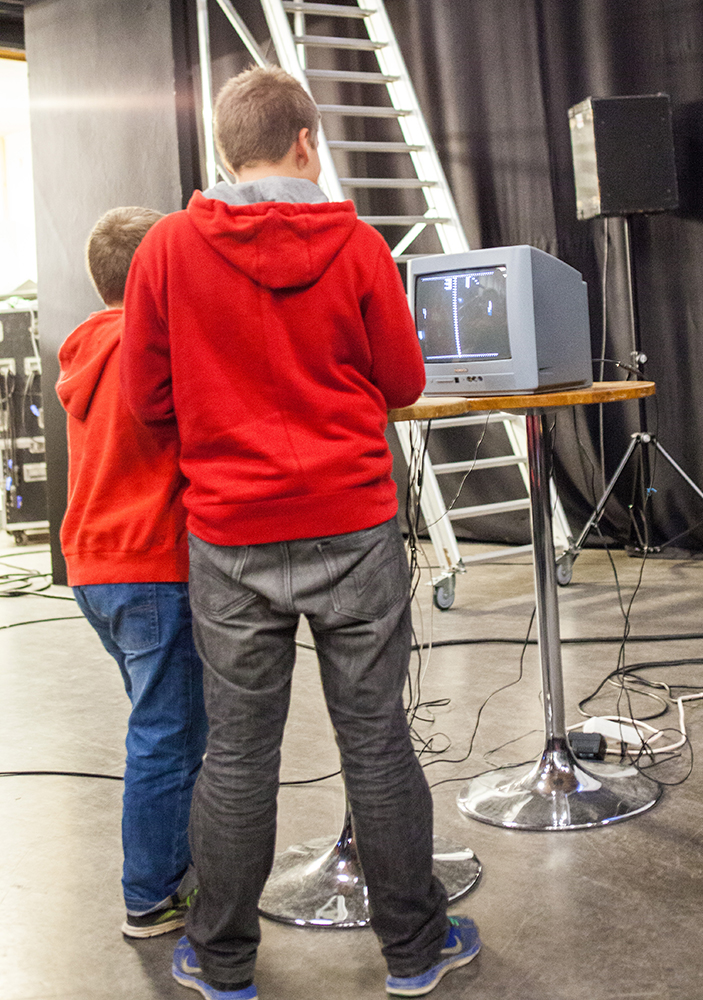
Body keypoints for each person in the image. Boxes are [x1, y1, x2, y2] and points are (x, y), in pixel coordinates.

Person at [121, 66, 480, 999]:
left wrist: (217, 445)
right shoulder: (356, 245)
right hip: (353, 527)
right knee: (377, 742)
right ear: (307, 143)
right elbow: (402, 383)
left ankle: (224, 961)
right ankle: (413, 952)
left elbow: (148, 404)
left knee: (237, 753)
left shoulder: (165, 249)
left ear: (224, 154)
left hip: (229, 536)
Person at [56, 207, 208, 939]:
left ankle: (178, 866)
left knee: (165, 727)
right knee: (167, 735)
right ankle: (151, 895)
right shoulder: (148, 348)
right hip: (150, 565)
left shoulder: (87, 345)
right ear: (158, 272)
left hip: (94, 568)